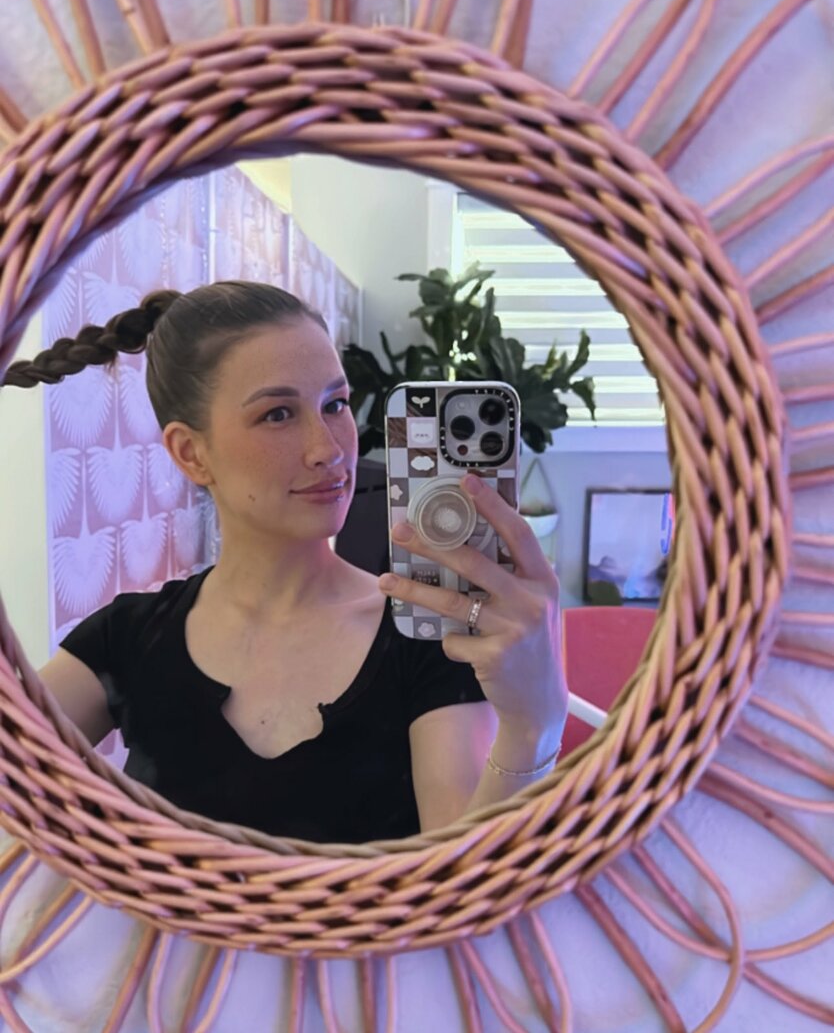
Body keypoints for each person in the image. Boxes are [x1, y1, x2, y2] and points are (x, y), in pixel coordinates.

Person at [2, 281, 568, 843]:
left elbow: (461, 881)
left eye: (335, 405)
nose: (330, 449)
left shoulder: (424, 634)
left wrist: (532, 728)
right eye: (277, 414)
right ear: (191, 453)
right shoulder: (127, 636)